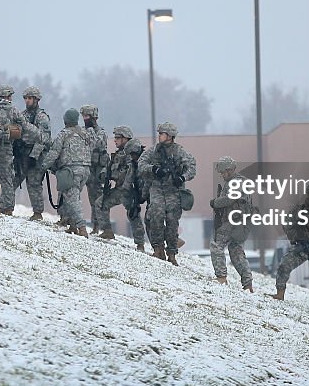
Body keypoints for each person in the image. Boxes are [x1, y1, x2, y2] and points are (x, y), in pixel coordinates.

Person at [137, 121, 196, 265]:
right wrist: (154, 169)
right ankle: (158, 249)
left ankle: (172, 253)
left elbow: (192, 168)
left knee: (172, 222)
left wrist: (182, 178)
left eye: (162, 134)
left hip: (173, 191)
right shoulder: (154, 151)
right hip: (157, 188)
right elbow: (141, 164)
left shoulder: (179, 151)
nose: (159, 136)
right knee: (156, 218)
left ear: (169, 136)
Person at [40, 108, 92, 236]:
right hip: (85, 170)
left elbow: (54, 152)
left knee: (73, 200)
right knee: (73, 197)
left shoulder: (64, 134)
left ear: (66, 120)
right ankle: (73, 226)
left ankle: (82, 227)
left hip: (71, 170)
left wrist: (44, 166)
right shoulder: (85, 134)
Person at [95, 125, 147, 250]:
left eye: (118, 137)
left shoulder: (132, 154)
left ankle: (140, 243)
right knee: (100, 203)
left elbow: (128, 172)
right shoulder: (119, 154)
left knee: (133, 214)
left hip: (129, 190)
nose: (115, 140)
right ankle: (107, 231)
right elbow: (110, 168)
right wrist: (105, 175)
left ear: (125, 138)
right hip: (120, 189)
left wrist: (113, 174)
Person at [209, 156, 254, 292]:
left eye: (223, 172)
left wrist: (215, 202)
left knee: (216, 246)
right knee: (236, 251)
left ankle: (221, 277)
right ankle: (247, 284)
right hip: (239, 223)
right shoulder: (236, 182)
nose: (222, 175)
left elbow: (230, 199)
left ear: (230, 170)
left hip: (234, 222)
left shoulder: (237, 182)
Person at [0, 85, 27, 216]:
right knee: (7, 178)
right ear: (6, 96)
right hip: (5, 148)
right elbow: (23, 124)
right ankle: (7, 207)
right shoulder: (12, 109)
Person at [12, 85, 51, 221]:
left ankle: (37, 212)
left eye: (30, 98)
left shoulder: (41, 117)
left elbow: (44, 138)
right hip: (22, 154)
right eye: (26, 98)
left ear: (36, 100)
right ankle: (6, 206)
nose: (27, 101)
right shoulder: (22, 115)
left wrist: (34, 156)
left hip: (35, 155)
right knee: (12, 180)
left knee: (33, 184)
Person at [80, 105, 109, 234]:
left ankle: (99, 226)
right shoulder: (82, 131)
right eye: (84, 116)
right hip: (84, 166)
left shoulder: (100, 132)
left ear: (94, 118)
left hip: (96, 170)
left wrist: (90, 133)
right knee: (84, 197)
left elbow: (99, 144)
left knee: (97, 199)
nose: (85, 119)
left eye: (87, 116)